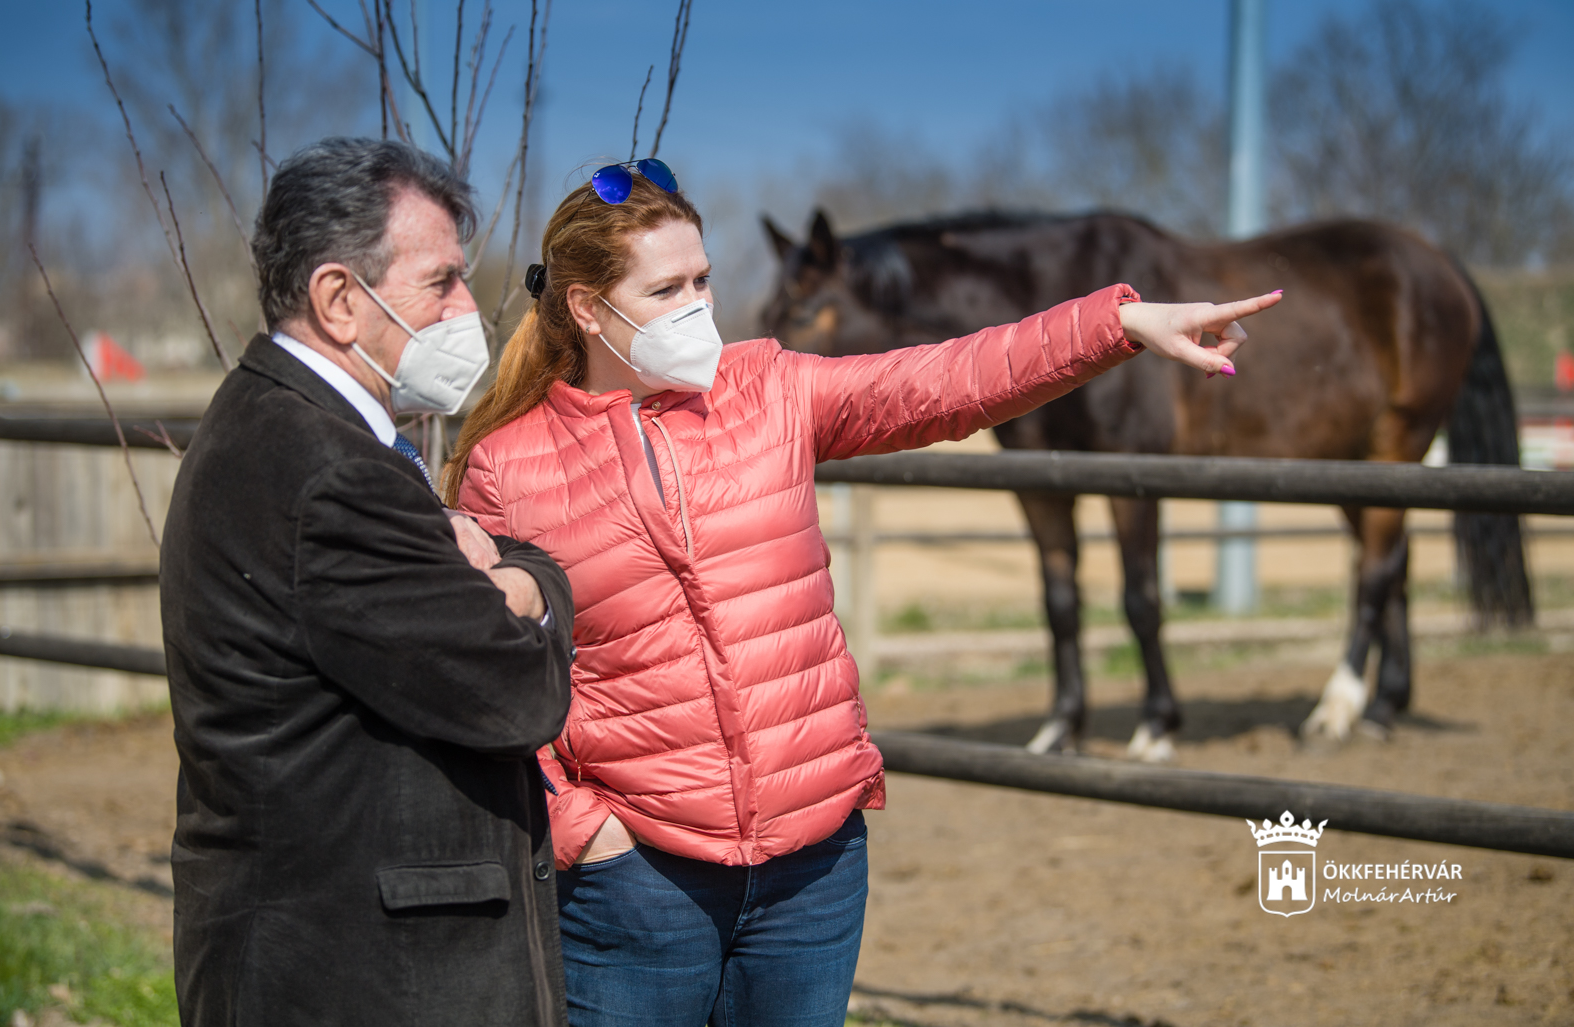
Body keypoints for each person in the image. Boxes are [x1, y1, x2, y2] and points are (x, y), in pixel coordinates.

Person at [444, 159, 1279, 1027]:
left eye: (704, 280)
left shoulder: (767, 389)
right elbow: (490, 683)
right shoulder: (509, 467)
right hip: (638, 884)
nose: (697, 307)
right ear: (587, 308)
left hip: (814, 873)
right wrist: (584, 831)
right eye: (666, 289)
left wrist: (1121, 323)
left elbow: (950, 379)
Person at [160, 137, 577, 1027]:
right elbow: (514, 691)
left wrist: (498, 573)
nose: (470, 308)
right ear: (340, 298)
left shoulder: (292, 425)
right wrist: (531, 584)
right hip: (360, 974)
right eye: (442, 282)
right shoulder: (330, 472)